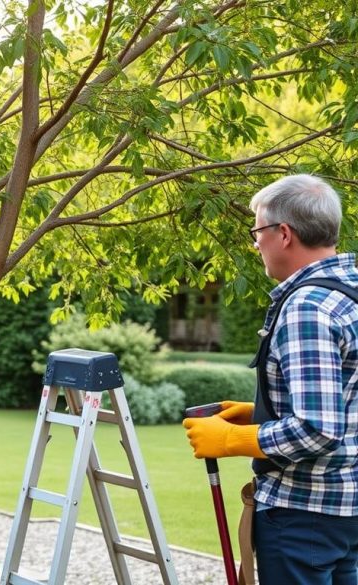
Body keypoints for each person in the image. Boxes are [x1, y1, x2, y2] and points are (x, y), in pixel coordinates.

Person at [183, 174, 358, 584]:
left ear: (283, 234)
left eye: (257, 231)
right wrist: (259, 414)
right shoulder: (348, 291)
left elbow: (319, 429)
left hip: (305, 514)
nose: (255, 242)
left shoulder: (308, 308)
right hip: (345, 510)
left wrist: (233, 440)